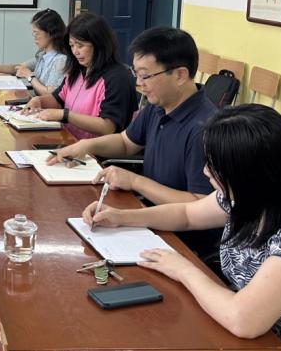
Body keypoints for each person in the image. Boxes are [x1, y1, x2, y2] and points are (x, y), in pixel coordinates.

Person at [81, 104, 281, 350]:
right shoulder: (245, 198)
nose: (205, 171)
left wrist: (183, 269)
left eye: (214, 166)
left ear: (250, 173)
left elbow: (243, 320)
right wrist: (122, 217)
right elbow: (187, 215)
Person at [49, 26, 219, 254]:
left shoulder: (206, 129)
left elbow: (198, 205)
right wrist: (85, 146)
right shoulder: (158, 105)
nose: (139, 84)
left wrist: (136, 182)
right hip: (146, 217)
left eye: (146, 76)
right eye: (136, 74)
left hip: (182, 241)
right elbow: (126, 142)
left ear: (180, 75)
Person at [23, 12, 137, 141]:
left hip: (94, 150)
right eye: (72, 45)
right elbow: (58, 99)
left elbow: (108, 127)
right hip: (68, 140)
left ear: (98, 43)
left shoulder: (117, 78)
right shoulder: (77, 70)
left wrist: (66, 115)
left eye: (80, 45)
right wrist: (39, 101)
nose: (75, 51)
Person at [0, 8, 68, 95]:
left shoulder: (61, 60)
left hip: (46, 107)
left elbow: (51, 95)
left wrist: (30, 76)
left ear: (51, 33)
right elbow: (17, 68)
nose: (34, 37)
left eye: (36, 33)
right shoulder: (43, 56)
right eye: (33, 33)